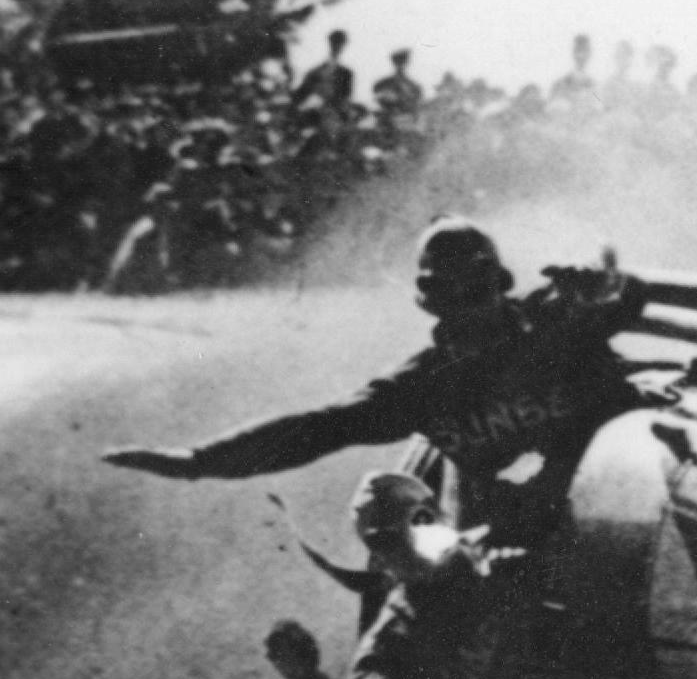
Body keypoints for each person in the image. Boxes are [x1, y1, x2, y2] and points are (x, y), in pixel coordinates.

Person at [102, 216, 658, 542]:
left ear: (500, 285)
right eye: (450, 297)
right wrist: (202, 461)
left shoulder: (559, 316)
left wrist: (603, 284)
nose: (469, 309)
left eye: (476, 290)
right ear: (431, 303)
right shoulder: (422, 384)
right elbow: (320, 429)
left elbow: (630, 297)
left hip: (637, 507)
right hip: (523, 539)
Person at [263, 471, 502, 679]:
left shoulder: (505, 551)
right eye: (389, 541)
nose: (410, 544)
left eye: (420, 520)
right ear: (379, 558)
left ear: (439, 514)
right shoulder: (394, 640)